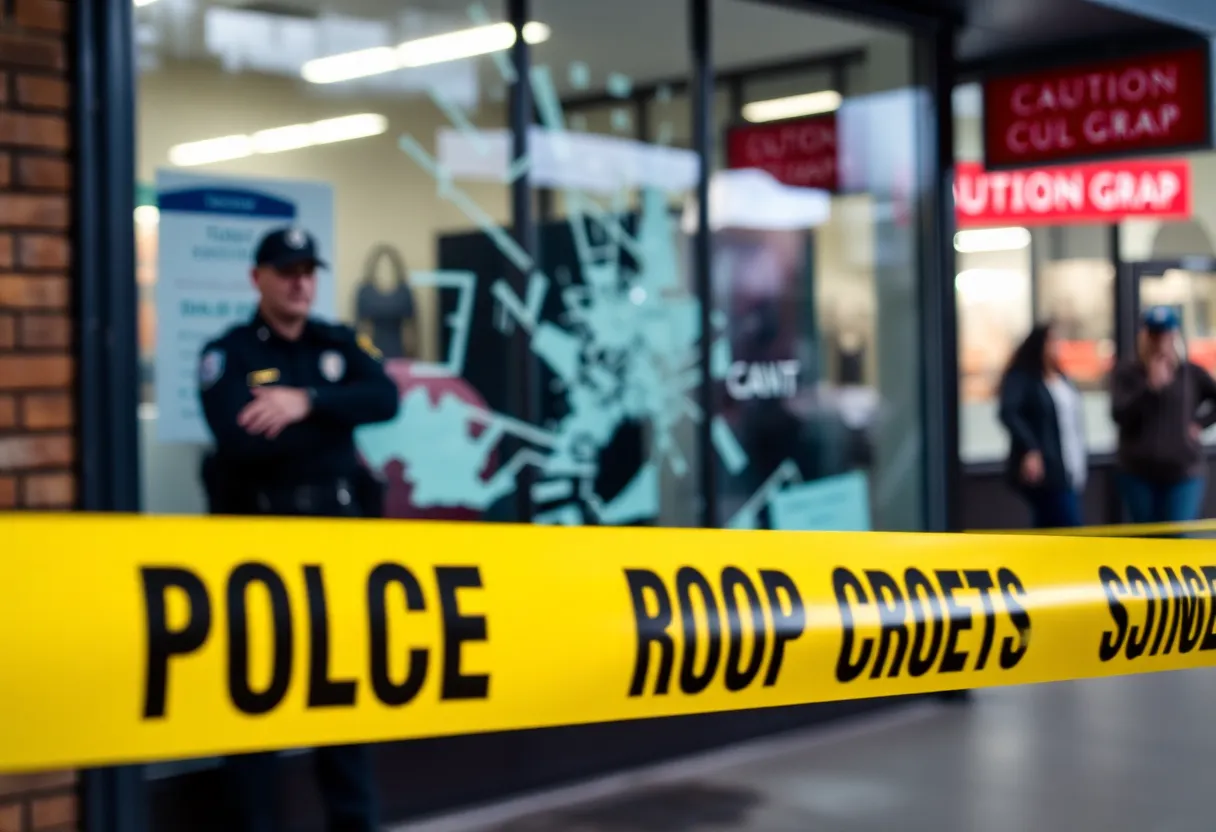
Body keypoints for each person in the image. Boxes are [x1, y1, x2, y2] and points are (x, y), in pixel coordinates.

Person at [197, 225, 400, 832]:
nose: (301, 283)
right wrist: (335, 418)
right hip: (260, 545)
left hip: (336, 541)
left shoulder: (336, 342)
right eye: (287, 271)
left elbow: (386, 398)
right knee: (257, 705)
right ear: (257, 279)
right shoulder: (229, 353)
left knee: (341, 706)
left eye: (309, 271)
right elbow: (239, 439)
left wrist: (306, 402)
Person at [1111, 305, 1216, 526]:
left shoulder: (1189, 373)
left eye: (1166, 334)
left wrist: (1200, 423)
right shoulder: (1129, 372)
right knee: (1146, 537)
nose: (1160, 341)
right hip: (1138, 471)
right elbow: (1119, 415)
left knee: (1177, 534)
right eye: (1155, 335)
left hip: (1182, 471)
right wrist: (1149, 389)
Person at [997, 322, 1087, 528]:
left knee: (1049, 526)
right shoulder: (1023, 378)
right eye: (1052, 341)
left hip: (1070, 463)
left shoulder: (1061, 377)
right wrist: (1031, 447)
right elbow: (1009, 412)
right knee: (1068, 524)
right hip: (1047, 467)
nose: (1057, 346)